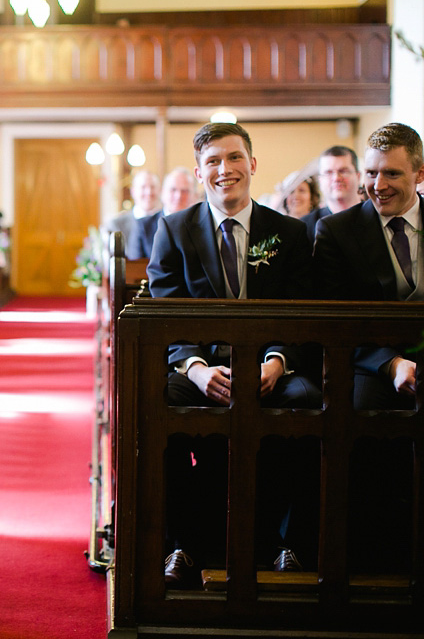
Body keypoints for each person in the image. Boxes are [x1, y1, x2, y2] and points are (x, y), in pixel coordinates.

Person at [147, 122, 321, 587]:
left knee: (310, 402)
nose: (226, 169)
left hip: (271, 363)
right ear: (200, 172)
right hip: (201, 364)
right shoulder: (175, 230)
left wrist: (276, 362)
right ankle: (181, 543)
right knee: (162, 402)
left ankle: (290, 545)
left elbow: (299, 311)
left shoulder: (287, 233)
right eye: (214, 162)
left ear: (253, 163)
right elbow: (166, 314)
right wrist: (199, 369)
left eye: (235, 158)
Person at [313, 122, 423, 575]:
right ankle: (373, 560)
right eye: (373, 173)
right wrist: (391, 363)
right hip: (367, 362)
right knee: (362, 422)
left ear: (419, 173)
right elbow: (333, 321)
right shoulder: (337, 231)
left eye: (392, 174)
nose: (378, 186)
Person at [127, 167, 200, 260]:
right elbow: (135, 269)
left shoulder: (203, 226)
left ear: (195, 196)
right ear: (163, 192)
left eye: (185, 191)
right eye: (173, 190)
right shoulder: (144, 226)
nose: (178, 196)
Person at [302, 145, 364, 243]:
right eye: (328, 172)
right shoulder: (306, 227)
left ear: (358, 176)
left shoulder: (376, 217)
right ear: (320, 180)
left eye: (343, 171)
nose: (336, 178)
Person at [107, 170, 161, 246]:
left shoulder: (168, 222)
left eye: (152, 187)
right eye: (143, 187)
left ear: (159, 190)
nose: (149, 192)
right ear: (133, 191)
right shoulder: (117, 225)